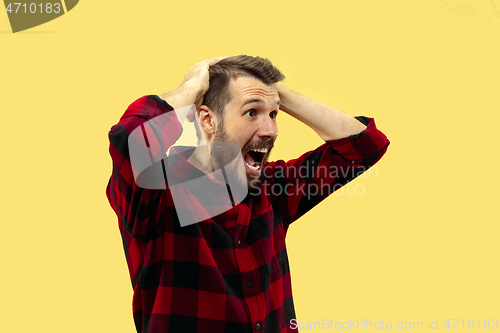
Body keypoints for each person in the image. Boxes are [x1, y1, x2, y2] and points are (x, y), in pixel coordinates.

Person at [106, 55, 390, 333]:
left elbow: (365, 146)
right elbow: (131, 139)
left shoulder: (272, 188)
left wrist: (274, 92)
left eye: (274, 114)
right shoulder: (158, 193)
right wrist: (191, 88)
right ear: (207, 121)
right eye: (252, 112)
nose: (272, 130)